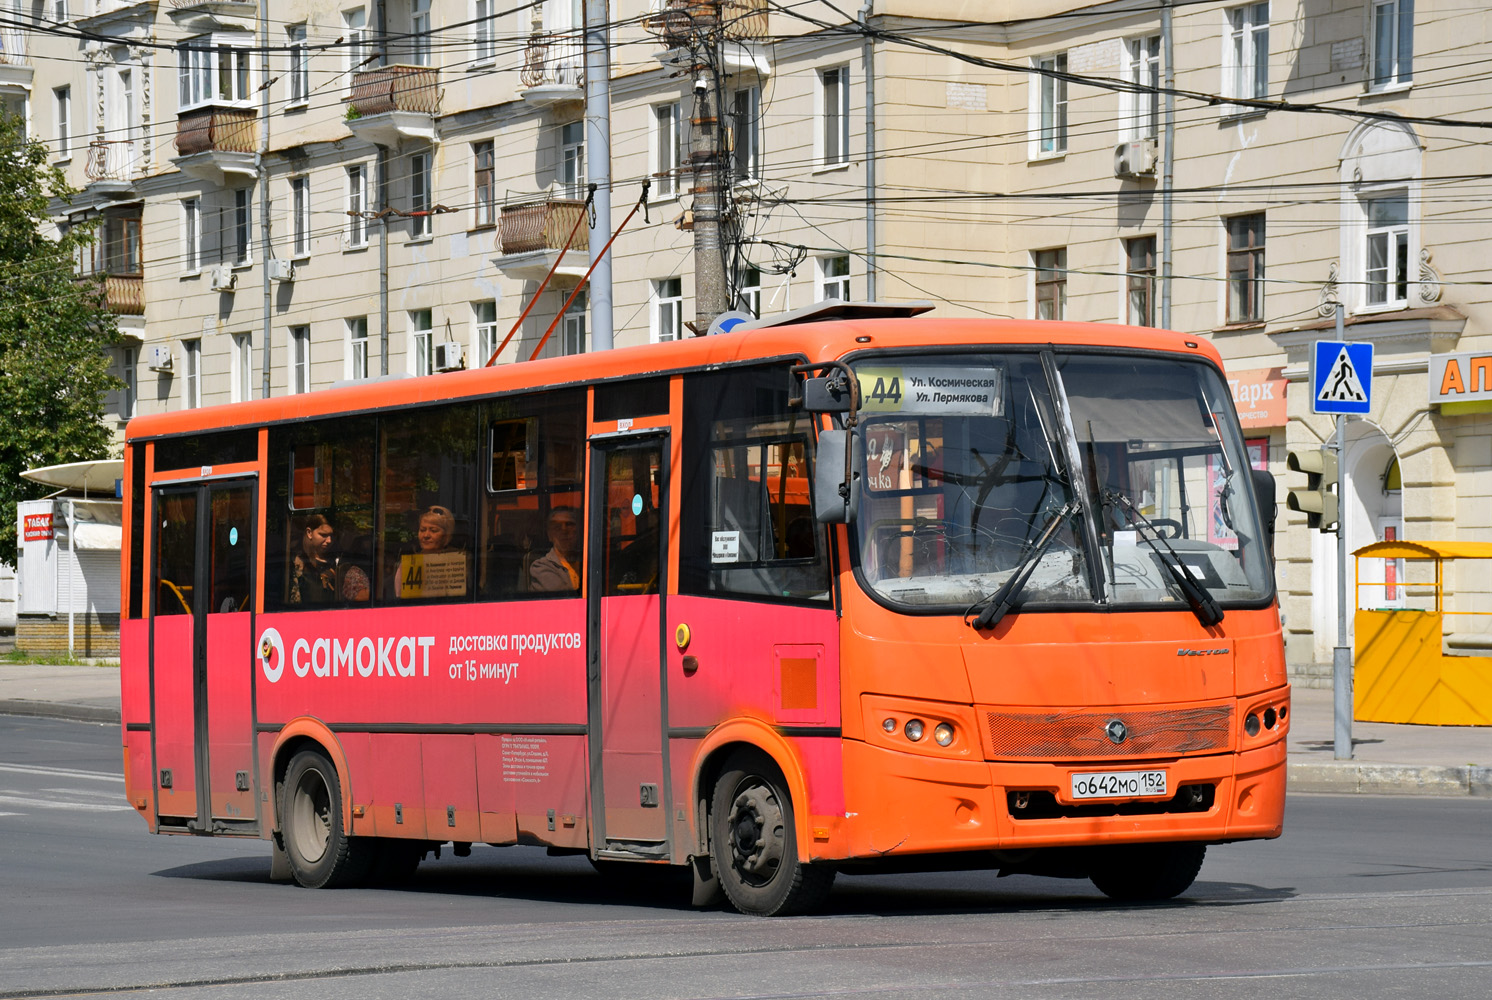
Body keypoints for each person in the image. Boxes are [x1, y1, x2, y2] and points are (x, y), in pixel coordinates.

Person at [529, 507, 582, 593]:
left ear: (578, 531)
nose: (564, 530)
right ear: (550, 535)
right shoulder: (540, 567)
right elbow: (566, 600)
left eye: (569, 524)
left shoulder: (589, 562)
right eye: (557, 527)